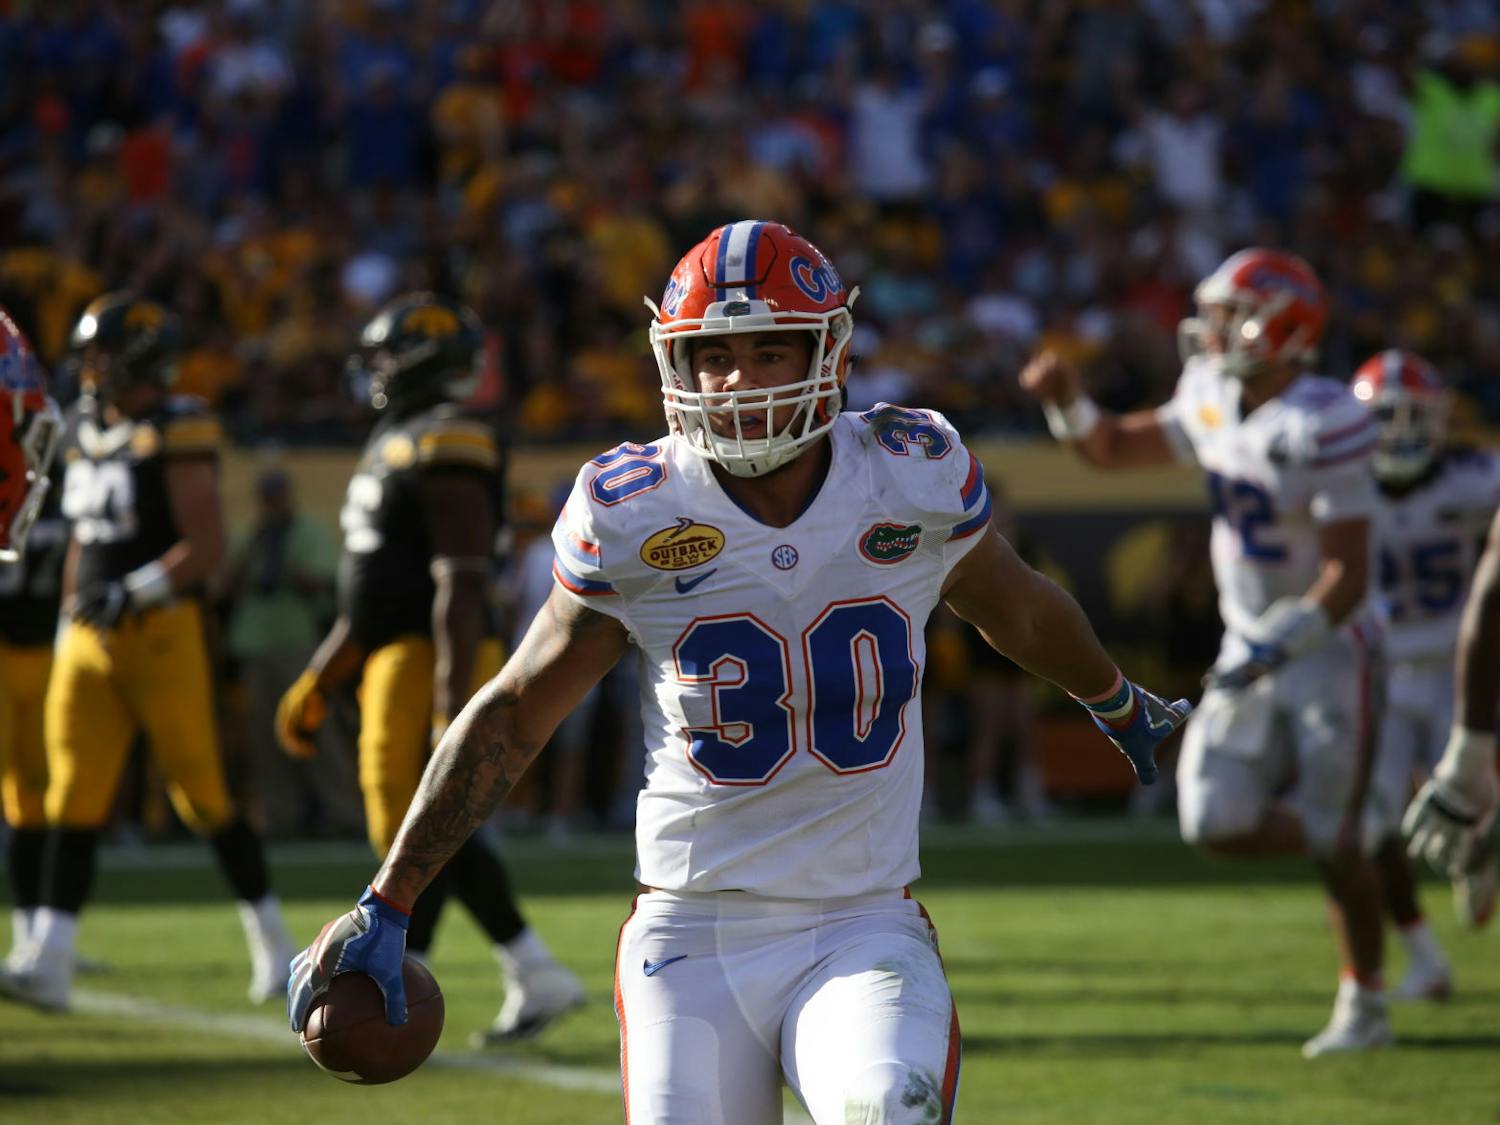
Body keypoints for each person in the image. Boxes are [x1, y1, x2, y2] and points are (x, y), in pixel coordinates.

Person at [287, 221, 1191, 1124]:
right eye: (713, 354)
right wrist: (390, 894)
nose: (739, 380)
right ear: (673, 361)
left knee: (890, 1106)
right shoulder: (634, 508)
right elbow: (519, 708)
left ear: (831, 352)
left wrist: (1111, 696)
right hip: (690, 935)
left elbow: (1019, 606)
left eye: (771, 352)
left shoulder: (907, 472)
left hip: (863, 923)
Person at [1021, 248, 1390, 1058]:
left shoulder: (1328, 418)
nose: (1212, 327)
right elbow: (1114, 448)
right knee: (1214, 820)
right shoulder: (1213, 394)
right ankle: (1367, 838)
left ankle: (1366, 997)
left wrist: (1277, 641)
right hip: (1248, 644)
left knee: (1335, 836)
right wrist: (1068, 403)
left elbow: (1349, 573)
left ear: (1282, 323)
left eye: (1230, 312)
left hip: (1328, 646)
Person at [273, 292, 583, 1044]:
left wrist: (452, 703)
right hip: (395, 653)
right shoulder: (395, 439)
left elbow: (462, 577)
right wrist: (324, 673)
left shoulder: (446, 436)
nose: (374, 369)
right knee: (420, 822)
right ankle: (526, 968)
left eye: (385, 353)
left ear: (418, 358)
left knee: (413, 820)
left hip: (432, 654)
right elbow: (370, 588)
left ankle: (436, 963)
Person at [0, 293, 294, 1013]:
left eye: (103, 351)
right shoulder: (86, 427)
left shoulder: (177, 425)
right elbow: (81, 539)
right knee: (73, 796)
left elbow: (207, 547)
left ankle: (275, 944)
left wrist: (131, 590)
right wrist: (78, 600)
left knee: (203, 796)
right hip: (86, 637)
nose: (91, 365)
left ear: (136, 357)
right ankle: (52, 960)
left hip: (159, 631)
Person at [1354, 350, 1500, 997]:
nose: (1398, 433)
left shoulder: (1473, 478)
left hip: (1456, 670)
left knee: (1479, 800)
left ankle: (1478, 850)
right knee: (1370, 828)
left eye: (1413, 417)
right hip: (1379, 675)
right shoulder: (1340, 482)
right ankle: (1423, 956)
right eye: (1384, 418)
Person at [223, 467, 360, 839]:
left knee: (318, 731)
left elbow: (325, 584)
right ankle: (280, 817)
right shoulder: (253, 534)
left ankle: (344, 814)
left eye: (277, 493)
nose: (272, 502)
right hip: (256, 644)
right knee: (265, 739)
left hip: (298, 643)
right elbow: (227, 585)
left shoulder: (308, 530)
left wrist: (286, 567)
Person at [0, 307, 63, 972]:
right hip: (22, 652)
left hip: (42, 650)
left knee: (36, 799)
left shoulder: (59, 474)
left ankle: (41, 935)